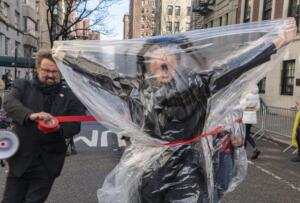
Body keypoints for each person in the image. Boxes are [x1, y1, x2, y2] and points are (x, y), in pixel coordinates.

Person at [60, 18, 296, 203]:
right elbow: (101, 75)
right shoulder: (135, 88)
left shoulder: (198, 84)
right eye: (157, 55)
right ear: (147, 62)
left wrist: (277, 42)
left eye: (170, 54)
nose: (164, 58)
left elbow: (237, 64)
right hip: (149, 169)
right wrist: (68, 58)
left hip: (189, 168)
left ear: (178, 60)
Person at [1, 49, 85, 203]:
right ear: (37, 68)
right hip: (21, 159)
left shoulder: (69, 96)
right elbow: (9, 103)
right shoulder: (22, 86)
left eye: (55, 71)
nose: (51, 75)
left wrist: (58, 128)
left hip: (48, 163)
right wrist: (30, 115)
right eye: (46, 70)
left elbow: (75, 125)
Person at [240, 85, 261, 160]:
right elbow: (258, 107)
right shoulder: (257, 95)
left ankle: (251, 149)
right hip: (252, 116)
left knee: (245, 134)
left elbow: (241, 106)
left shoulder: (246, 94)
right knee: (246, 133)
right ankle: (253, 149)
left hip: (245, 116)